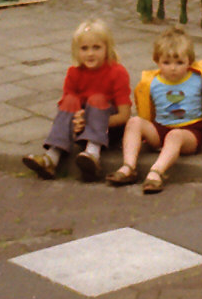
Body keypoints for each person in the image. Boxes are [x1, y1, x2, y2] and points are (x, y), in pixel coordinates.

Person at [109, 26, 202, 193]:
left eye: (179, 62)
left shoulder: (198, 79)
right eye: (166, 63)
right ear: (157, 61)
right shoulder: (152, 82)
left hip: (190, 131)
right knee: (134, 122)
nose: (173, 68)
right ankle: (129, 166)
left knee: (175, 136)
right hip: (161, 128)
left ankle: (156, 172)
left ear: (189, 61)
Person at [22, 18, 132, 182]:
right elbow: (67, 109)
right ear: (76, 51)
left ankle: (93, 155)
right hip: (79, 126)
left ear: (107, 49)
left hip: (109, 128)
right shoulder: (74, 72)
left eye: (96, 48)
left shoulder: (117, 72)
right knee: (69, 100)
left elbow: (124, 115)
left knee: (97, 98)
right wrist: (77, 122)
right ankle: (52, 157)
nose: (90, 53)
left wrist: (90, 121)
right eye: (84, 48)